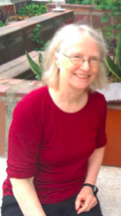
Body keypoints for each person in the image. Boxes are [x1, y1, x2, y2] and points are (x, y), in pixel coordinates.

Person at [1, 24, 109, 216]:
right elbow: (21, 181)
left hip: (74, 195)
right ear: (57, 58)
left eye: (93, 60)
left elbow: (98, 146)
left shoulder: (97, 102)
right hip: (28, 199)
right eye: (77, 57)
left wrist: (89, 186)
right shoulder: (31, 108)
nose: (86, 67)